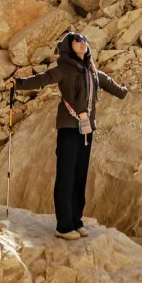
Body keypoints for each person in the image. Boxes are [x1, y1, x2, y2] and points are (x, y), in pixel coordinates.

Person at [12, 32, 128, 239]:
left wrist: (123, 91)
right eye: (77, 41)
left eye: (84, 40)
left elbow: (107, 81)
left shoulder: (91, 70)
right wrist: (18, 84)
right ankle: (63, 226)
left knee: (80, 176)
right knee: (66, 176)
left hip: (86, 129)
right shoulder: (64, 69)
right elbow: (43, 79)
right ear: (68, 46)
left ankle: (76, 220)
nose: (83, 44)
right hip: (68, 128)